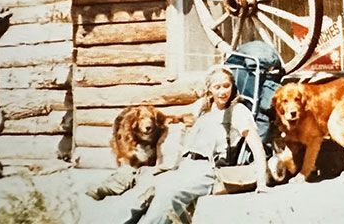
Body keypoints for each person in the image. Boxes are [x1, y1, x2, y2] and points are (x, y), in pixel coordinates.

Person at [109, 65, 269, 224]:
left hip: (207, 170)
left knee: (169, 196)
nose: (222, 92)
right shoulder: (203, 109)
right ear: (209, 89)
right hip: (185, 165)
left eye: (226, 86)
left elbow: (256, 147)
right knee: (145, 192)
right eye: (217, 87)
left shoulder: (238, 111)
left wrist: (261, 182)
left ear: (232, 86)